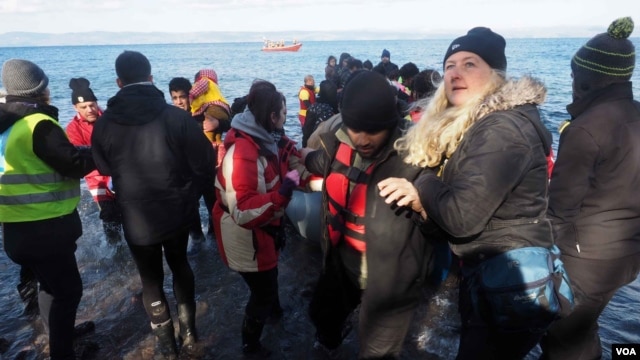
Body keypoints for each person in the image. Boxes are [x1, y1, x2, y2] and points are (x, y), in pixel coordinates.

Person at [377, 27, 558, 359]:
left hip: (510, 286)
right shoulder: (475, 124)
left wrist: (422, 182)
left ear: (496, 75)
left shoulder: (502, 129)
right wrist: (425, 203)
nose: (455, 73)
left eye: (469, 64)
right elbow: (453, 218)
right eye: (449, 65)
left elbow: (460, 218)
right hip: (488, 278)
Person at [300, 71, 439, 359]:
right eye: (355, 128)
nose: (362, 139)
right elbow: (320, 161)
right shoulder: (338, 142)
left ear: (389, 124)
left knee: (377, 353)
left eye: (372, 130)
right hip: (343, 262)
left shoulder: (417, 158)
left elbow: (448, 220)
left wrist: (423, 204)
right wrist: (297, 154)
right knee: (322, 319)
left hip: (390, 280)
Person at [91, 50, 214, 359]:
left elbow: (103, 167)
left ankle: (166, 347)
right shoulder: (175, 117)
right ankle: (189, 334)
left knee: (151, 279)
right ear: (150, 78)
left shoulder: (105, 124)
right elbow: (205, 161)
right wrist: (190, 194)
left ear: (119, 82)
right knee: (180, 265)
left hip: (135, 216)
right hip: (176, 209)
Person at [539, 17, 640, 360]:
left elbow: (560, 211)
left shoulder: (585, 129)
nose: (570, 82)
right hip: (626, 257)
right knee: (584, 328)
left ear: (587, 79)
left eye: (573, 74)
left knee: (561, 337)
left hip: (586, 260)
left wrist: (536, 259)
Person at [0, 59, 97, 360]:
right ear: (41, 89)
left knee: (50, 286)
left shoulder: (6, 123)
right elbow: (73, 164)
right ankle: (63, 352)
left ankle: (59, 334)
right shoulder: (38, 123)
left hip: (16, 229)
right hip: (45, 227)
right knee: (68, 292)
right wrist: (102, 151)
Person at [213, 80, 306, 357]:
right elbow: (242, 209)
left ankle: (275, 312)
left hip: (264, 229)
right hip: (244, 234)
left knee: (270, 274)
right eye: (283, 112)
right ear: (272, 117)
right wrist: (284, 192)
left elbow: (288, 150)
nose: (286, 116)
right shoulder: (243, 151)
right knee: (260, 291)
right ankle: (250, 345)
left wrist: (307, 160)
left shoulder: (266, 136)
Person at [65, 77, 122, 243]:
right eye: (84, 107)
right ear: (76, 108)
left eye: (92, 105)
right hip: (97, 180)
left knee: (130, 212)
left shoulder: (110, 118)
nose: (89, 110)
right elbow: (80, 158)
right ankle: (116, 254)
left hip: (119, 174)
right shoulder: (73, 128)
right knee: (109, 218)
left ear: (97, 104)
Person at [168, 76, 215, 248]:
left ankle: (215, 239)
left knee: (214, 207)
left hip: (209, 171)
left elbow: (226, 121)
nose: (179, 102)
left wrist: (218, 122)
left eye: (182, 97)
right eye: (174, 98)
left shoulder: (202, 114)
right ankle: (198, 242)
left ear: (190, 96)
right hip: (187, 175)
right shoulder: (170, 119)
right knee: (190, 209)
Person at [301, 79, 338, 147]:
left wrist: (304, 147)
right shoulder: (338, 107)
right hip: (333, 145)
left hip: (315, 145)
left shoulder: (314, 108)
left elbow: (306, 132)